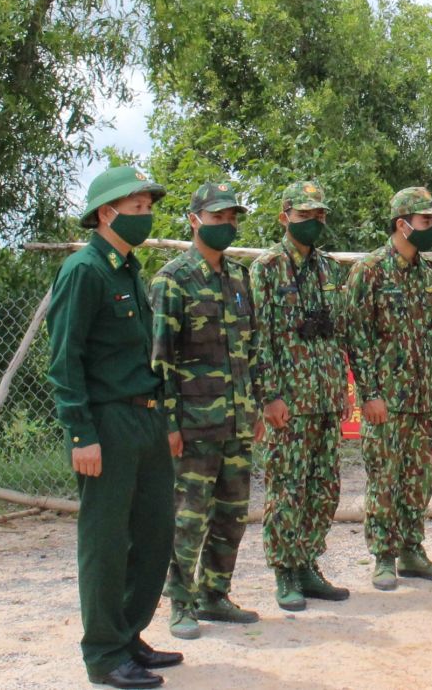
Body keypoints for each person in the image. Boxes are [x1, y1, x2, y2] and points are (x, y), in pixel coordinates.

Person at [46, 164, 181, 689]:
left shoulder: (129, 271)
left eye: (149, 208)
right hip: (106, 421)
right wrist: (81, 432)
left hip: (145, 417)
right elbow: (65, 359)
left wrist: (164, 418)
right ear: (107, 213)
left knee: (154, 532)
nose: (146, 217)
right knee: (105, 540)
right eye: (137, 208)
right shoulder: (84, 270)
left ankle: (129, 635)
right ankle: (104, 654)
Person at [150, 181, 262, 640]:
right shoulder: (171, 279)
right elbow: (160, 360)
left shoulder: (239, 277)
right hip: (193, 425)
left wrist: (253, 408)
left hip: (236, 421)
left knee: (232, 514)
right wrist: (168, 423)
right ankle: (181, 602)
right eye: (218, 218)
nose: (227, 225)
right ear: (195, 221)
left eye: (232, 218)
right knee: (188, 517)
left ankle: (216, 595)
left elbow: (252, 348)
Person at [345, 186, 432, 591]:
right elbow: (355, 337)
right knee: (384, 479)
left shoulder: (431, 275)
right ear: (402, 224)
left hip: (424, 398)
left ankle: (412, 549)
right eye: (426, 221)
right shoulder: (369, 270)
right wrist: (369, 393)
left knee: (417, 479)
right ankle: (383, 557)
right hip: (386, 401)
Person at [250, 180, 352, 611]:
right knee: (286, 489)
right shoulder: (267, 268)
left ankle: (309, 563)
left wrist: (343, 387)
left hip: (326, 397)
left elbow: (339, 333)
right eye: (304, 214)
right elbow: (257, 337)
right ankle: (285, 571)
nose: (313, 221)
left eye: (319, 215)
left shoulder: (330, 270)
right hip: (288, 403)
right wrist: (268, 395)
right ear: (285, 216)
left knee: (324, 487)